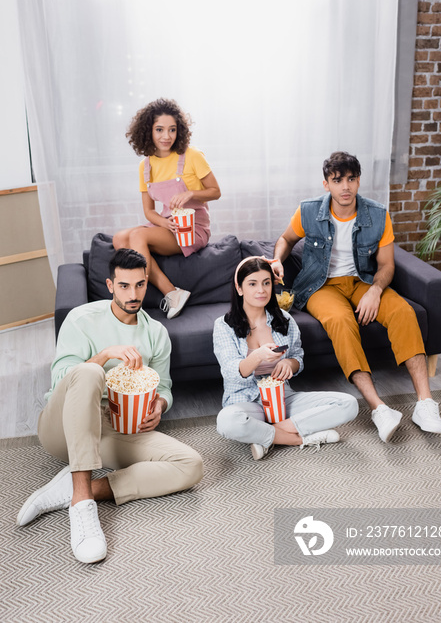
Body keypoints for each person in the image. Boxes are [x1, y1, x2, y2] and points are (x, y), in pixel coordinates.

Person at [16, 249, 204, 564]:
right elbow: (62, 378)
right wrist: (104, 355)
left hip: (116, 427)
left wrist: (159, 404)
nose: (133, 294)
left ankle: (86, 488)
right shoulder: (81, 319)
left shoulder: (156, 333)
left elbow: (166, 386)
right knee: (88, 372)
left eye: (140, 285)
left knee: (191, 465)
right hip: (62, 427)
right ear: (110, 285)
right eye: (124, 285)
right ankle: (82, 505)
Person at [272, 151, 441, 443]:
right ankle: (379, 409)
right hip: (321, 286)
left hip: (365, 282)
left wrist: (376, 291)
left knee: (403, 312)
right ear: (326, 183)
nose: (345, 187)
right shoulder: (308, 211)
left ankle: (425, 404)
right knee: (341, 321)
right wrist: (278, 259)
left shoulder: (377, 215)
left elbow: (387, 265)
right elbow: (286, 239)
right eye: (337, 180)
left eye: (351, 179)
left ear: (358, 181)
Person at [213, 257, 359, 460]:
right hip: (246, 402)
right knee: (227, 421)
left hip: (283, 399)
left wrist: (289, 363)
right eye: (252, 284)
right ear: (239, 288)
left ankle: (267, 435)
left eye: (266, 283)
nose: (261, 290)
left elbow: (298, 357)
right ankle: (299, 438)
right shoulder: (223, 325)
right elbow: (231, 373)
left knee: (349, 404)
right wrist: (258, 356)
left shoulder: (285, 319)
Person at [113, 98, 221, 319]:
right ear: (148, 131)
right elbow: (149, 212)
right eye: (159, 129)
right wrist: (164, 222)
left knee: (137, 236)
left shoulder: (192, 156)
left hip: (192, 228)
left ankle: (141, 303)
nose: (166, 136)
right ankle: (173, 293)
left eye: (172, 129)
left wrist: (191, 193)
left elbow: (215, 191)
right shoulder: (146, 167)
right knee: (119, 239)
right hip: (165, 223)